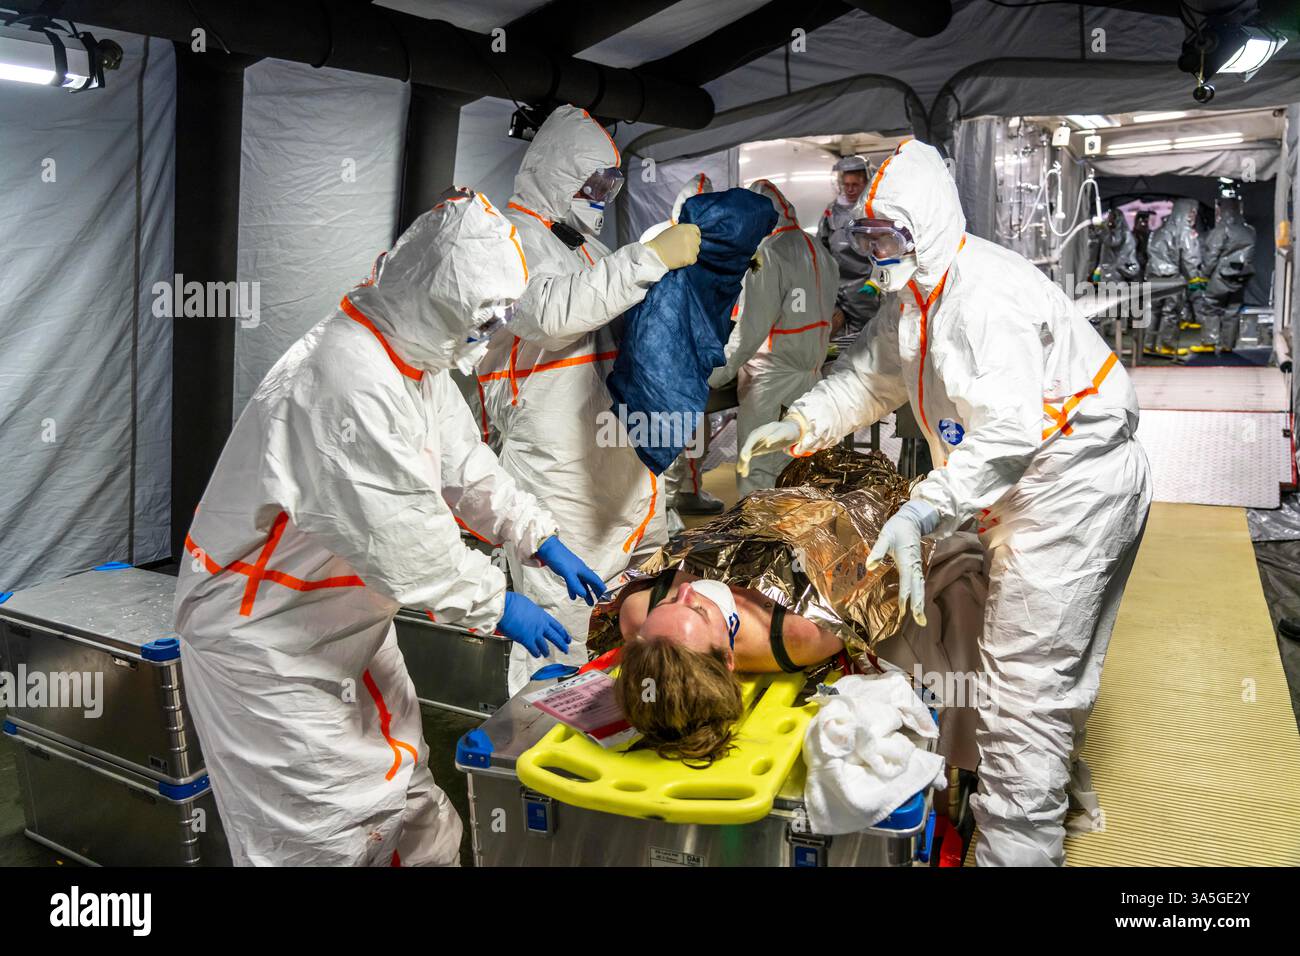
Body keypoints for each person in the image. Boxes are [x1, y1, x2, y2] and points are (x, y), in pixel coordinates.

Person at [738, 140, 1152, 867]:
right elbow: (872, 377)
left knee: (1025, 693)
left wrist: (924, 508)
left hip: (1068, 490)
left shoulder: (982, 300)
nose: (874, 249)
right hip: (1023, 489)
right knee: (1032, 666)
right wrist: (802, 421)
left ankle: (1018, 848)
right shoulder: (917, 294)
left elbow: (1007, 437)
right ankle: (1045, 790)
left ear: (924, 226)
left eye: (887, 233)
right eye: (863, 235)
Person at [174, 190, 607, 866]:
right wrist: (501, 604)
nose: (488, 336)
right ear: (437, 301)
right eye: (482, 320)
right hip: (263, 634)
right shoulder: (339, 377)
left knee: (404, 783)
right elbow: (405, 544)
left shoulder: (413, 357)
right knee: (327, 826)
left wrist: (537, 534)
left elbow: (464, 465)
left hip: (339, 607)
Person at [481, 105, 701, 693]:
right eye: (592, 181)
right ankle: (543, 767)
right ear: (557, 172)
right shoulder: (508, 241)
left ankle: (627, 725)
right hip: (557, 475)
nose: (602, 194)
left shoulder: (586, 249)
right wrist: (650, 256)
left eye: (611, 183)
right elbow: (550, 313)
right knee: (565, 630)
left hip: (615, 467)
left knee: (634, 616)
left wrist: (706, 287)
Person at [708, 179, 837, 496]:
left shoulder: (768, 255)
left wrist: (714, 373)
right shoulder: (818, 251)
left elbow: (751, 329)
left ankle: (760, 543)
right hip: (810, 378)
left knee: (758, 469)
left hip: (770, 382)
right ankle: (798, 542)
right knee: (799, 470)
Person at [640, 173, 726, 518]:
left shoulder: (709, 242)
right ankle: (664, 500)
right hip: (663, 346)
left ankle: (684, 491)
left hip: (685, 346)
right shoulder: (657, 239)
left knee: (691, 424)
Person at [819, 154, 881, 341]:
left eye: (855, 185)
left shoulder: (874, 210)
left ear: (866, 183)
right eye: (846, 185)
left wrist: (877, 281)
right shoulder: (832, 212)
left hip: (867, 291)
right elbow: (821, 248)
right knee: (839, 341)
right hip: (838, 290)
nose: (850, 189)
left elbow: (886, 251)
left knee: (869, 339)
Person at [1194, 194, 1256, 353]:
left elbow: (1211, 255)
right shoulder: (1249, 230)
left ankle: (1210, 341)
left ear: (1221, 210)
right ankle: (1228, 345)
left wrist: (1204, 274)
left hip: (1220, 277)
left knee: (1211, 307)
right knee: (1233, 310)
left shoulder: (1221, 230)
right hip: (1240, 277)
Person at [1145, 198, 1205, 358]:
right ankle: (1168, 346)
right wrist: (1195, 279)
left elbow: (1149, 252)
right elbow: (1190, 257)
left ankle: (1148, 344)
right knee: (1170, 312)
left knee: (1153, 311)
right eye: (1193, 212)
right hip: (1172, 278)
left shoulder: (1158, 231)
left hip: (1152, 276)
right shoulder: (1184, 232)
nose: (1194, 216)